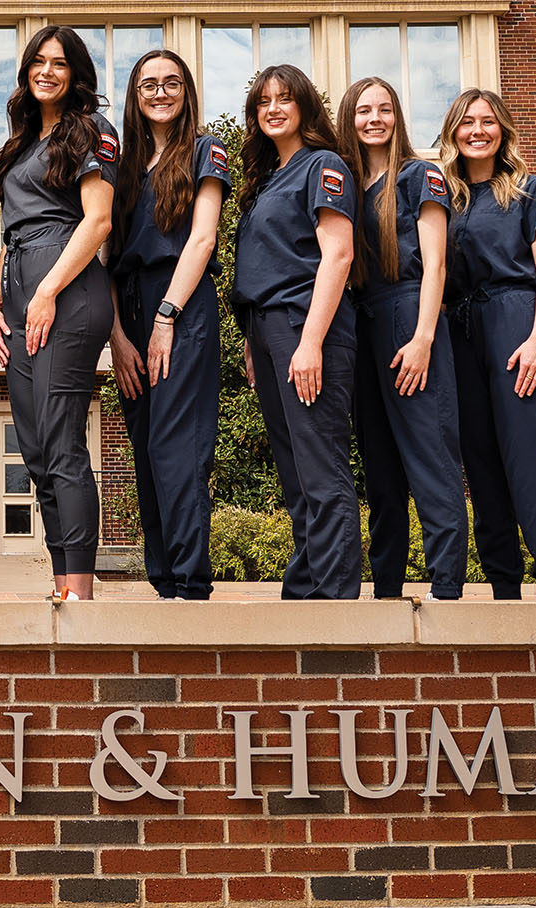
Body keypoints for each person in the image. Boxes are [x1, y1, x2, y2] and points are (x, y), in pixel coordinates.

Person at [0, 26, 120, 601]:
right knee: (35, 444)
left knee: (62, 439)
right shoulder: (20, 142)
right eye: (38, 61)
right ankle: (61, 579)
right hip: (19, 285)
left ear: (76, 74)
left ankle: (81, 589)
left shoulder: (92, 131)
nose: (47, 71)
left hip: (66, 287)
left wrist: (44, 293)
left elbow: (98, 222)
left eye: (59, 63)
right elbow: (8, 234)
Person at [233, 65, 361, 599]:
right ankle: (305, 589)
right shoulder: (264, 181)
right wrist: (251, 341)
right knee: (294, 471)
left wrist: (309, 342)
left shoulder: (322, 165)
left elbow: (338, 253)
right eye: (264, 102)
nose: (274, 109)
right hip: (268, 331)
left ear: (306, 106)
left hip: (306, 326)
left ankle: (334, 600)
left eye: (286, 99)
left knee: (320, 465)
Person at [436, 88, 536, 600]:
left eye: (488, 122)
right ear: (452, 133)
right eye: (466, 122)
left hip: (518, 320)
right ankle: (502, 583)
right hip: (462, 329)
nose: (477, 131)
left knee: (524, 455)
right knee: (480, 458)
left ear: (503, 130)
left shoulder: (530, 190)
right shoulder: (446, 198)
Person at [339, 76, 466, 601]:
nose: (375, 119)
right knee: (380, 465)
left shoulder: (420, 176)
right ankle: (386, 586)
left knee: (430, 453)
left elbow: (436, 264)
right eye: (364, 110)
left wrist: (423, 339)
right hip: (362, 323)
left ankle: (447, 587)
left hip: (410, 313)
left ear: (397, 117)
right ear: (350, 119)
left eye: (384, 109)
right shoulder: (344, 183)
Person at [109, 50, 227, 602]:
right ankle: (163, 578)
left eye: (171, 83)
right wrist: (118, 336)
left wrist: (166, 317)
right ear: (135, 96)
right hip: (130, 311)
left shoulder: (205, 151)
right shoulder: (126, 169)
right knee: (147, 445)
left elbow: (202, 239)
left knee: (178, 443)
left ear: (186, 92)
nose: (160, 92)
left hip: (180, 303)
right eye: (148, 84)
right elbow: (106, 255)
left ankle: (190, 580)